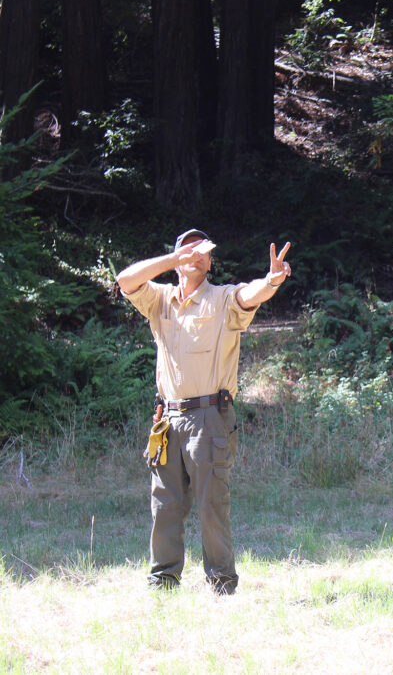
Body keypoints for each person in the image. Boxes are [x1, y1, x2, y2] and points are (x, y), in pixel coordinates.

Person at [116, 228, 292, 594]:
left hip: (209, 418)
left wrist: (272, 280)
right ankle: (163, 583)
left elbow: (250, 294)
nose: (197, 257)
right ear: (178, 258)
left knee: (211, 505)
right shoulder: (160, 299)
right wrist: (170, 260)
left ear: (210, 262)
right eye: (189, 252)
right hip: (166, 420)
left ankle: (222, 586)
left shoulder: (223, 299)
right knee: (165, 505)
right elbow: (125, 280)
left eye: (204, 253)